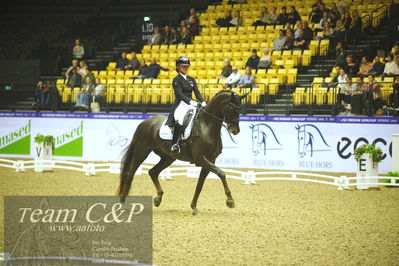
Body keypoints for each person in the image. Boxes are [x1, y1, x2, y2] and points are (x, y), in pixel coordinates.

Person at [165, 56, 206, 153]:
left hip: (191, 104)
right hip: (181, 105)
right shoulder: (176, 80)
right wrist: (192, 102)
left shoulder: (191, 79)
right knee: (180, 120)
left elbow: (197, 92)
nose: (186, 68)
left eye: (187, 66)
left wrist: (203, 102)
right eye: (183, 66)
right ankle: (174, 144)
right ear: (178, 67)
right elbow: (180, 94)